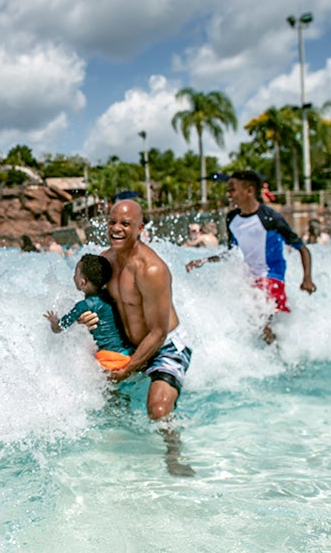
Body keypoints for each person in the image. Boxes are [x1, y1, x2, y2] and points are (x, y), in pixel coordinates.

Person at [79, 200, 195, 477]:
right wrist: (88, 317)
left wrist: (129, 368)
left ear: (140, 228)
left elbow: (158, 331)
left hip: (165, 345)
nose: (116, 229)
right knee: (104, 397)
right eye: (112, 222)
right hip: (128, 342)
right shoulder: (104, 261)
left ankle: (173, 454)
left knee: (157, 409)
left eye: (125, 224)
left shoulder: (151, 270)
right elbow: (96, 303)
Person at [185, 170, 316, 344]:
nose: (228, 194)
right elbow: (232, 253)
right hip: (250, 277)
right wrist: (204, 261)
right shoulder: (232, 218)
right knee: (249, 318)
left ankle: (280, 358)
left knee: (262, 320)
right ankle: (272, 351)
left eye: (232, 189)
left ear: (249, 191)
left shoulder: (270, 218)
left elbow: (302, 249)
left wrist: (307, 279)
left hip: (273, 276)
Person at [44, 254, 130, 371]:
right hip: (126, 353)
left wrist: (53, 320)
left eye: (75, 275)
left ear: (82, 282)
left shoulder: (83, 306)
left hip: (109, 358)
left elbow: (59, 327)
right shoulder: (110, 296)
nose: (73, 278)